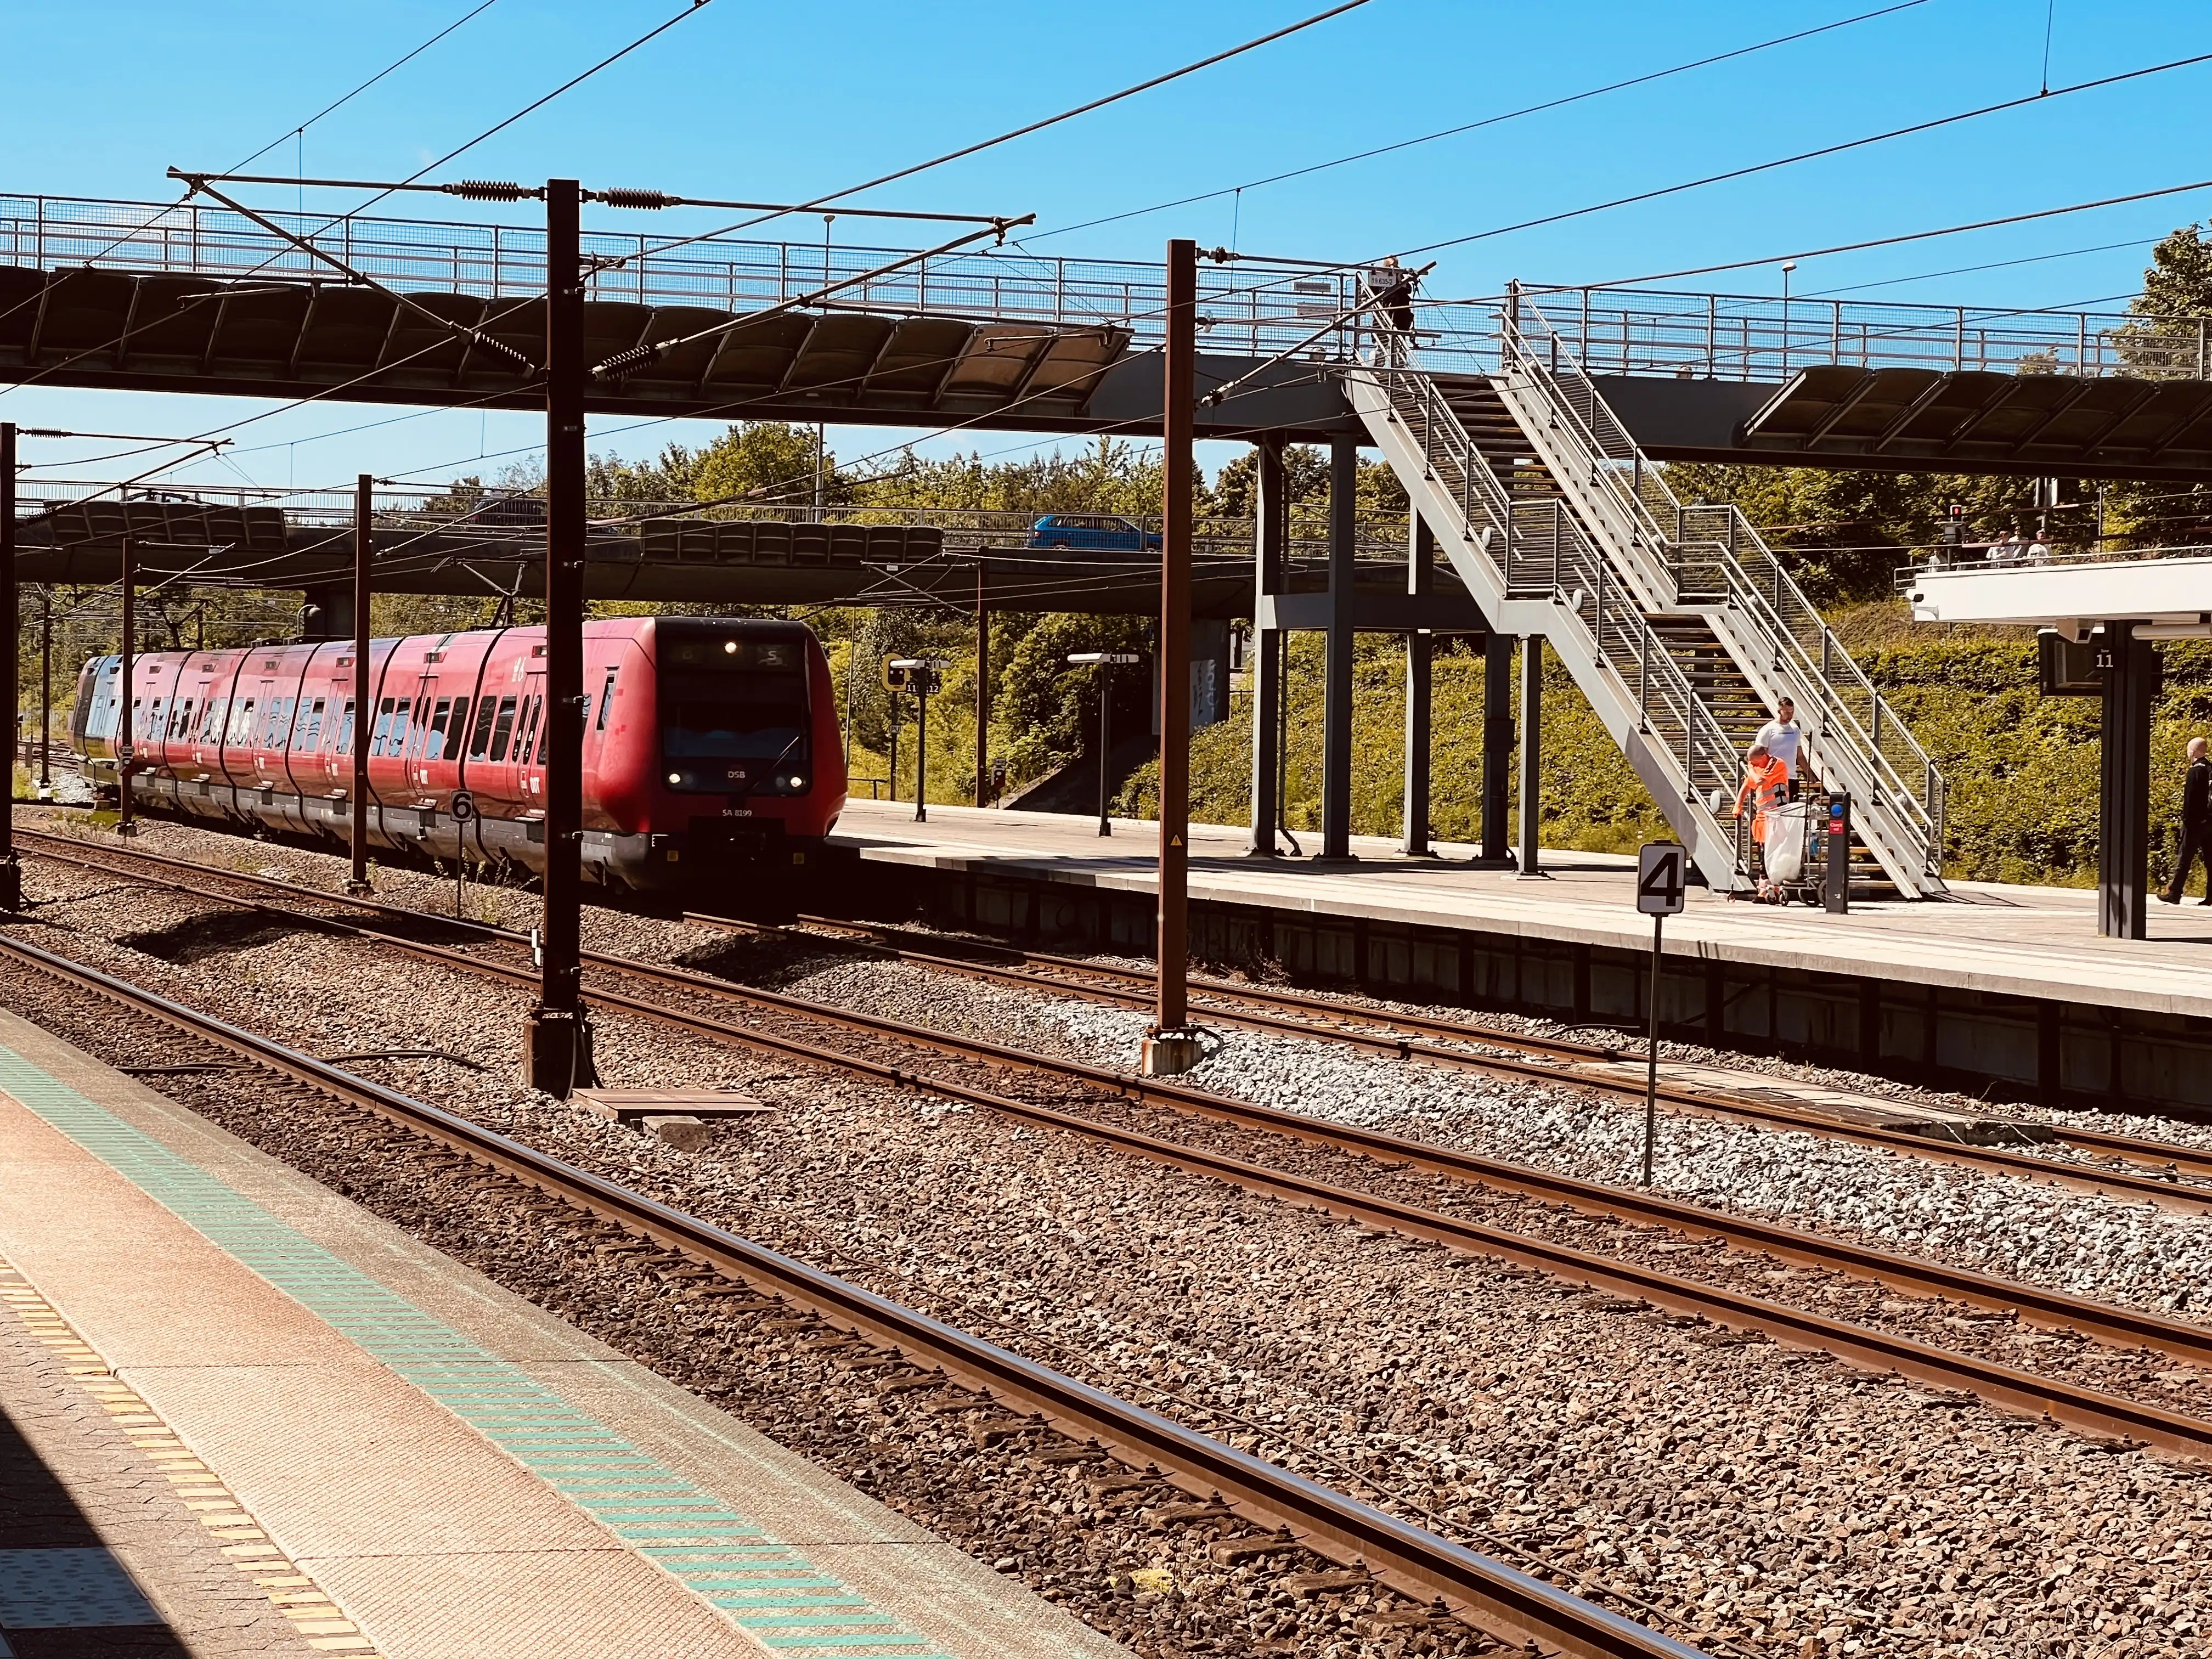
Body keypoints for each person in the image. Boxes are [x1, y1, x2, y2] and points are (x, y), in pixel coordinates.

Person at [1732, 743, 1791, 899]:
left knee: (1772, 853)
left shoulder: (1777, 764)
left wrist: (1750, 769)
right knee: (1762, 853)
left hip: (1777, 815)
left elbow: (1759, 782)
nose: (1754, 764)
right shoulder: (1758, 767)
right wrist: (1738, 805)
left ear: (1763, 757)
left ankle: (1774, 886)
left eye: (1755, 761)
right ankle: (1763, 889)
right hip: (1762, 816)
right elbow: (1747, 785)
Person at [2159, 736, 2212, 905]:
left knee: (2185, 857)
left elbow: (2190, 799)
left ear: (2193, 752)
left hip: (2196, 822)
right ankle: (2211, 895)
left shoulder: (2195, 771)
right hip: (2211, 821)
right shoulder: (2211, 769)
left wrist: (2187, 821)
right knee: (2211, 859)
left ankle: (2175, 892)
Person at [1752, 698, 1803, 800]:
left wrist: (1808, 772)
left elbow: (1800, 755)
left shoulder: (1795, 729)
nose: (1790, 715)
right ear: (1779, 711)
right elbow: (1758, 755)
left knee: (1792, 811)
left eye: (1792, 712)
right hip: (1774, 778)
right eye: (1787, 712)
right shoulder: (1768, 729)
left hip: (1791, 778)